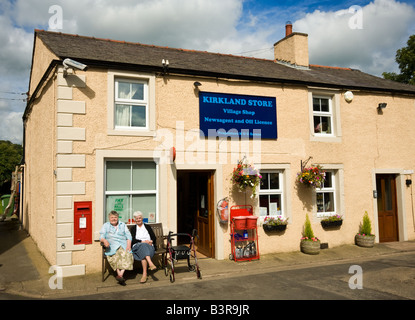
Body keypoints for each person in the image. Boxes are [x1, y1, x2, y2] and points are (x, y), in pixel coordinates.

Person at [100, 211, 133, 286]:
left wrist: (128, 245)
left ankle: (120, 275)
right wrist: (104, 240)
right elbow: (101, 237)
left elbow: (128, 236)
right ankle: (120, 276)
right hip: (112, 246)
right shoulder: (106, 225)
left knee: (128, 254)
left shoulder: (122, 224)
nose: (113, 219)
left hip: (123, 245)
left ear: (118, 218)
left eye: (115, 217)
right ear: (109, 218)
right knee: (115, 256)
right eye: (112, 217)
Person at [130, 211, 157, 283]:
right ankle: (150, 263)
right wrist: (143, 241)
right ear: (135, 220)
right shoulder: (133, 228)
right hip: (137, 246)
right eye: (137, 218)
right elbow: (133, 240)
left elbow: (154, 237)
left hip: (148, 246)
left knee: (143, 253)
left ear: (142, 218)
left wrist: (151, 241)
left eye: (140, 218)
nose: (138, 219)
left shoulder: (147, 227)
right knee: (143, 246)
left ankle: (144, 275)